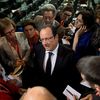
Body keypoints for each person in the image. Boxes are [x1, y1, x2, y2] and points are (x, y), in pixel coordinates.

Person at [22, 24, 81, 100]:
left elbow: (74, 78)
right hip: (42, 95)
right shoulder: (38, 49)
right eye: (42, 39)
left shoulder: (69, 54)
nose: (44, 43)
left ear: (56, 37)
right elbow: (34, 72)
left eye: (47, 39)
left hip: (61, 96)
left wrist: (71, 96)